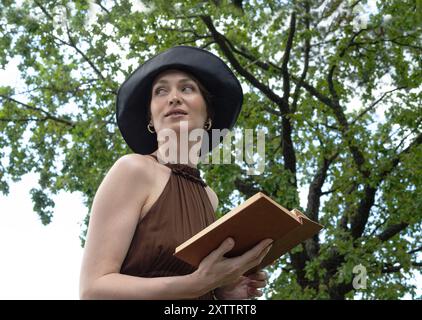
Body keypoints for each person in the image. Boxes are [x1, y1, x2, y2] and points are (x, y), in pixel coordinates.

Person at [79, 45, 273, 300]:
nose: (173, 97)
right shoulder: (133, 170)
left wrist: (224, 292)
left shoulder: (209, 197)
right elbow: (93, 290)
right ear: (150, 117)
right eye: (161, 91)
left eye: (187, 88)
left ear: (208, 116)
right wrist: (196, 284)